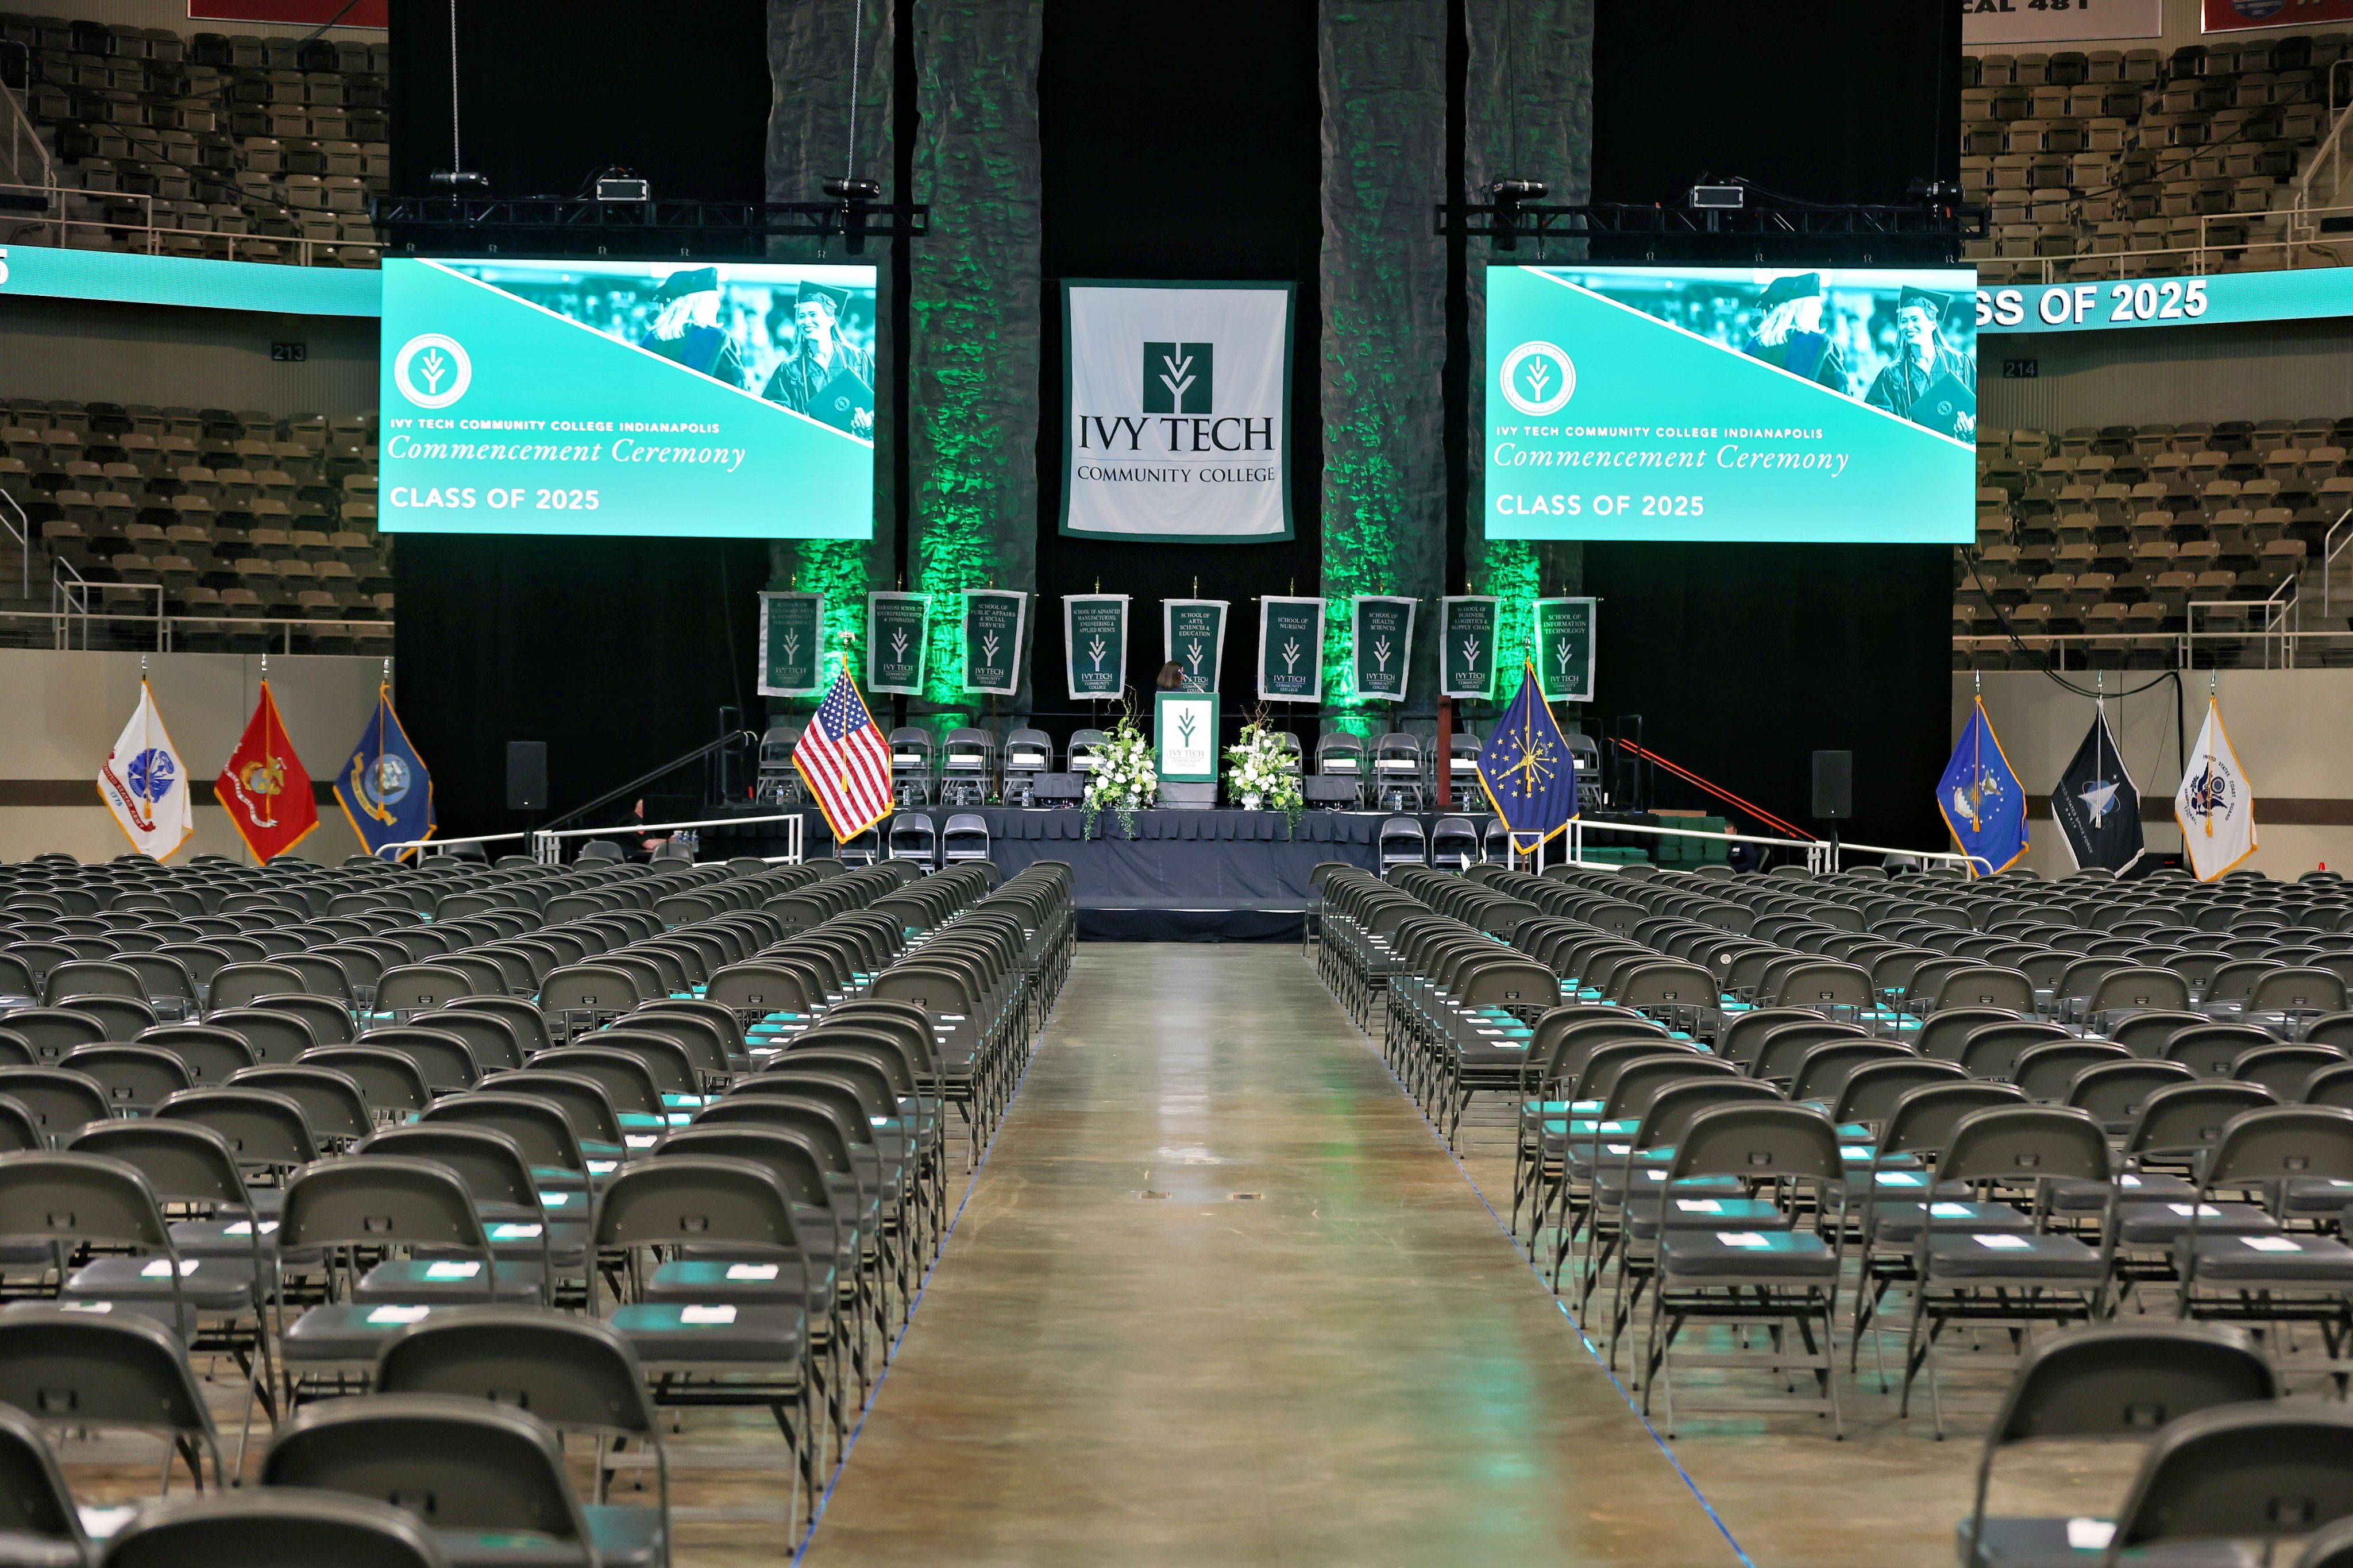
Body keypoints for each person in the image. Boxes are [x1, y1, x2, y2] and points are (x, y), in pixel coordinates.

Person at [761, 281, 875, 436]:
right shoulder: (789, 369)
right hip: (810, 449)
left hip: (854, 447)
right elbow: (773, 415)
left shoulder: (858, 359)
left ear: (831, 320)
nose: (806, 322)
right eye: (802, 316)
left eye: (813, 315)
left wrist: (869, 421)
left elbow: (882, 402)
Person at [1865, 285, 1975, 431]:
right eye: (1904, 321)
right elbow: (1874, 419)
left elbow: (1983, 405)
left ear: (1933, 324)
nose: (1908, 326)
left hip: (1955, 449)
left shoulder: (1960, 363)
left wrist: (1972, 425)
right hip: (1911, 451)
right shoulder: (1892, 375)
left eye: (1915, 319)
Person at [638, 267, 744, 387]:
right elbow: (739, 387)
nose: (718, 305)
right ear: (705, 304)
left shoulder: (653, 337)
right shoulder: (714, 337)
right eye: (715, 299)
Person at [1742, 273, 1847, 393]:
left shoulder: (1755, 344)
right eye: (1818, 305)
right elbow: (1842, 394)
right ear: (1808, 311)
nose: (1821, 311)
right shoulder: (1818, 345)